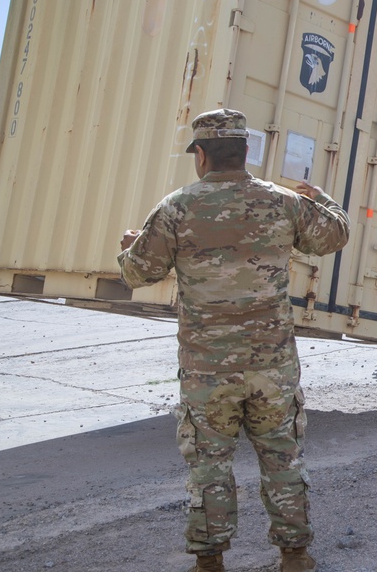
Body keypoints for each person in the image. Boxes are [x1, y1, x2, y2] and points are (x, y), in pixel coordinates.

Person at [118, 109, 350, 572]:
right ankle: (296, 556)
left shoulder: (175, 208)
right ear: (245, 153)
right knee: (282, 458)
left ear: (200, 156)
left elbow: (137, 273)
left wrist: (130, 245)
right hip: (273, 367)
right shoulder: (283, 202)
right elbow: (335, 235)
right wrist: (321, 197)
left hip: (208, 371)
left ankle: (209, 562)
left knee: (209, 467)